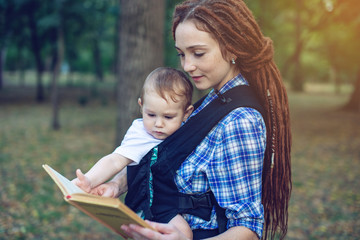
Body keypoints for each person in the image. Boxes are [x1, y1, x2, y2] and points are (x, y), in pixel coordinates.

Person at [93, 0, 292, 239]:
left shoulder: (240, 120)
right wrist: (118, 185)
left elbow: (247, 227)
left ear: (231, 48)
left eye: (198, 53)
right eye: (181, 54)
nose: (187, 66)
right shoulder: (214, 99)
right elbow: (161, 155)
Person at [72, 67, 194, 239]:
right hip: (140, 204)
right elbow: (115, 160)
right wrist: (90, 180)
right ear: (141, 106)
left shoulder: (189, 133)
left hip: (169, 206)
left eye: (168, 117)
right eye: (151, 114)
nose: (158, 124)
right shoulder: (140, 133)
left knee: (184, 233)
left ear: (186, 113)